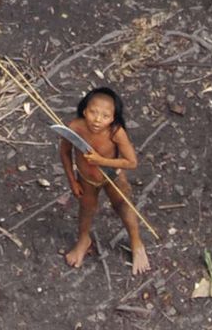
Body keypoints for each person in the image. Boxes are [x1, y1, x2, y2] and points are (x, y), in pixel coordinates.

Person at [59, 87, 150, 275]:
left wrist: (102, 161)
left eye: (105, 116)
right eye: (93, 112)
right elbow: (65, 153)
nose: (98, 119)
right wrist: (72, 180)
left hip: (113, 176)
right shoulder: (75, 127)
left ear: (113, 118)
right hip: (86, 179)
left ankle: (136, 242)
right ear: (85, 111)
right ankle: (84, 240)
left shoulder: (116, 132)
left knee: (123, 205)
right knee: (86, 209)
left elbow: (131, 162)